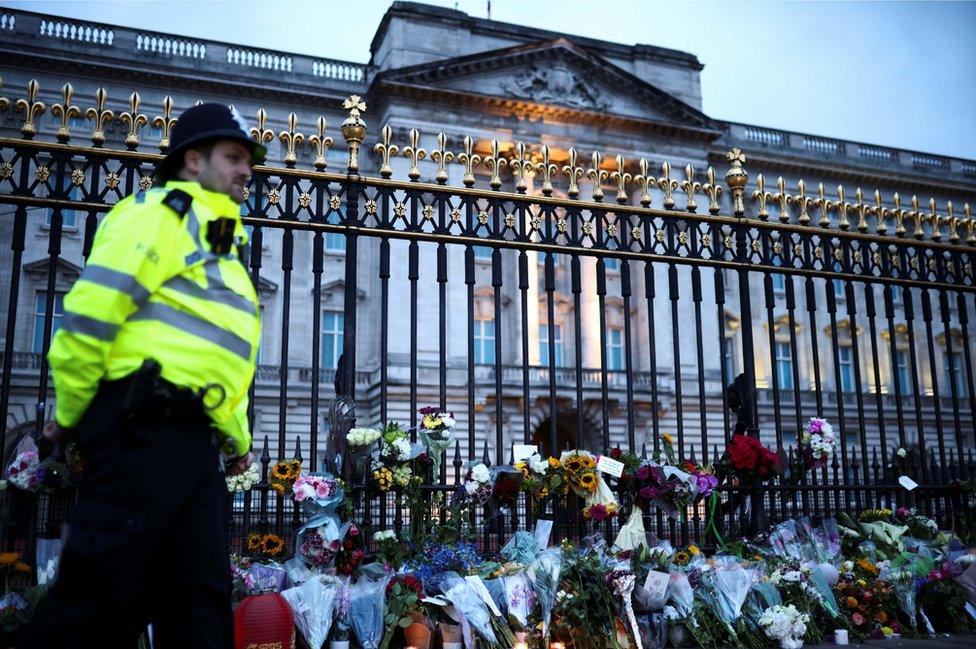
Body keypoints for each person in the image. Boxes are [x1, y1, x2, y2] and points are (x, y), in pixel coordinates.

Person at [19, 103, 265, 649]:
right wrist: (69, 410)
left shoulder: (220, 238)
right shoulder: (158, 214)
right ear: (193, 161)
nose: (247, 170)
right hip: (141, 425)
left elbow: (218, 357)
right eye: (233, 157)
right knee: (99, 600)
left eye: (249, 159)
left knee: (200, 605)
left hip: (192, 439)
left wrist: (236, 441)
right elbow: (90, 315)